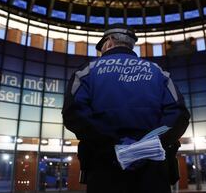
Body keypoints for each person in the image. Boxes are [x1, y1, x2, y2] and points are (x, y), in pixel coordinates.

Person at [62, 24, 190, 193]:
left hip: (104, 170)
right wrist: (144, 148)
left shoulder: (86, 71)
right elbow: (179, 115)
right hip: (152, 172)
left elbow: (74, 113)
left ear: (109, 42)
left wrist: (115, 147)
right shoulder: (158, 72)